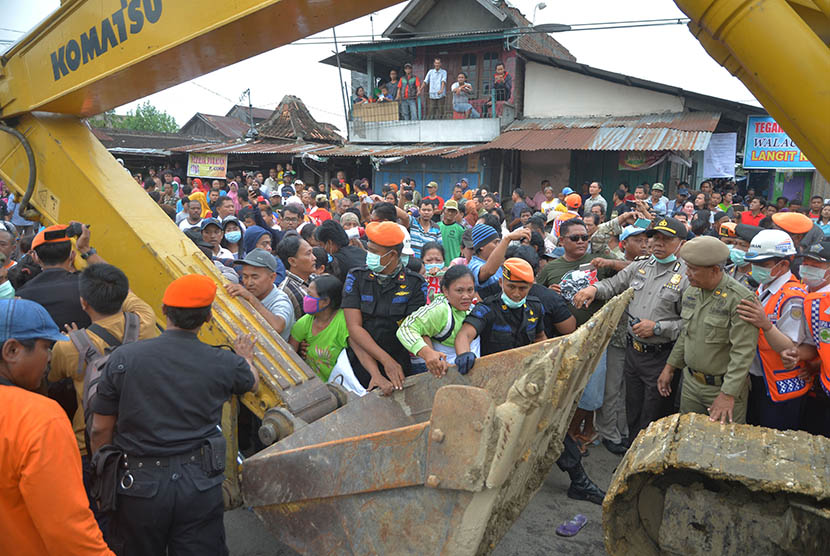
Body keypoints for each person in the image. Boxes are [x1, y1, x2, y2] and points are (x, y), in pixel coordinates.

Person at [89, 275, 259, 556]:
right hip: (199, 483)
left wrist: (106, 470)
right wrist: (246, 359)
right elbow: (251, 381)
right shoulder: (223, 362)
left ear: (164, 311)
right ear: (207, 318)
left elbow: (99, 429)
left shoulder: (124, 358)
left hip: (138, 483)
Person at [0, 298, 114, 556]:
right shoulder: (38, 418)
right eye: (46, 347)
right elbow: (68, 532)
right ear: (12, 351)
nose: (50, 357)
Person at [48, 263, 157, 520]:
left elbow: (51, 379)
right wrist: (88, 255)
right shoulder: (146, 320)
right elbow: (127, 292)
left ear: (84, 303)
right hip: (142, 437)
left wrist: (76, 339)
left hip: (91, 447)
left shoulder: (67, 348)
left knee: (101, 516)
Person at [574, 217, 688, 440]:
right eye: (655, 237)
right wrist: (593, 290)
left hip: (662, 356)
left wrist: (657, 328)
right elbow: (613, 285)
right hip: (633, 352)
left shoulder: (686, 276)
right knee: (632, 409)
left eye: (667, 239)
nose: (658, 243)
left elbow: (689, 324)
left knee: (654, 415)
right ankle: (630, 457)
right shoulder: (641, 266)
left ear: (681, 243)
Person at [657, 236, 758, 424]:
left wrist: (728, 395)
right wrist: (670, 367)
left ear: (715, 270)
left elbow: (743, 352)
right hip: (691, 384)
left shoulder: (740, 299)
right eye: (688, 267)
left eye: (694, 269)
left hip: (722, 389)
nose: (688, 274)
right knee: (687, 437)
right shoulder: (692, 292)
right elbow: (686, 334)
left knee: (723, 445)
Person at [342, 222, 427, 394]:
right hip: (361, 362)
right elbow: (354, 328)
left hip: (399, 364)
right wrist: (385, 362)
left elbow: (412, 328)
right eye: (369, 249)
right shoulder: (356, 277)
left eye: (374, 252)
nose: (369, 254)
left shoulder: (415, 284)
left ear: (392, 255)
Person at [741, 229, 811, 429]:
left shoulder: (793, 297)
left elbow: (789, 347)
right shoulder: (764, 287)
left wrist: (765, 324)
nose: (756, 269)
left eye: (763, 265)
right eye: (754, 264)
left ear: (783, 265)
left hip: (780, 385)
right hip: (757, 378)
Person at [595, 225, 647, 454]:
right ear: (624, 243)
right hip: (617, 336)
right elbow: (597, 239)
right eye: (638, 240)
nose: (645, 244)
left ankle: (623, 431)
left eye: (647, 240)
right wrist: (623, 218)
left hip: (641, 337)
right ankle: (609, 432)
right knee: (613, 388)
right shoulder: (611, 258)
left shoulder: (654, 265)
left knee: (631, 390)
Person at [397, 265, 480, 376]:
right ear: (445, 291)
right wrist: (428, 353)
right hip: (439, 373)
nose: (466, 296)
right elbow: (406, 328)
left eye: (470, 290)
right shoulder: (440, 310)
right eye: (459, 291)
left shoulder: (472, 308)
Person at [18, 223, 105, 330]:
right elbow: (115, 281)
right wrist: (85, 249)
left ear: (35, 257)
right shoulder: (90, 286)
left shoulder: (22, 295)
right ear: (72, 256)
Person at [289, 274, 354, 382]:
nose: (306, 298)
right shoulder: (304, 323)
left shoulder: (344, 322)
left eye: (310, 294)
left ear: (325, 301)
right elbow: (290, 355)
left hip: (342, 384)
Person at [227, 249, 295, 341]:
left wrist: (251, 299)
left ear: (272, 278)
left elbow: (277, 326)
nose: (249, 282)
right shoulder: (244, 293)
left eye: (255, 277)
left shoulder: (280, 300)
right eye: (245, 276)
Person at [468, 223, 531, 296]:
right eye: (495, 242)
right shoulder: (474, 265)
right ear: (481, 246)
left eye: (499, 242)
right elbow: (488, 271)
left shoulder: (497, 264)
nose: (498, 246)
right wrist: (507, 239)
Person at [276, 235, 316, 319]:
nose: (314, 258)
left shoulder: (315, 278)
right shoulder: (285, 292)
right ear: (292, 261)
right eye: (308, 254)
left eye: (312, 253)